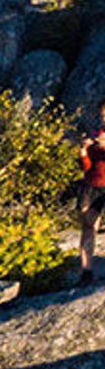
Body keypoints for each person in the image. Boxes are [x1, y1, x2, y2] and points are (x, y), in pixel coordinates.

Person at [79, 105, 105, 287]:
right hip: (92, 185)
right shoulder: (96, 134)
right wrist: (83, 152)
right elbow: (86, 167)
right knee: (88, 228)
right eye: (103, 115)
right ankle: (86, 273)